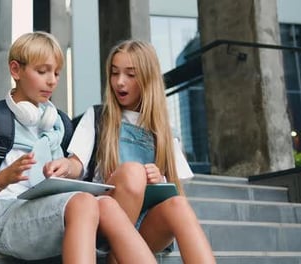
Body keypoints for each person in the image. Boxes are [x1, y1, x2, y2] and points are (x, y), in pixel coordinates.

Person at [0, 32, 157, 264]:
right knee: (83, 203)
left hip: (46, 209)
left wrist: (62, 171)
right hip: (2, 216)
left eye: (56, 73)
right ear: (15, 70)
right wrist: (4, 178)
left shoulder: (57, 122)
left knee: (108, 204)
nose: (52, 81)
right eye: (42, 71)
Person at [45, 39, 216, 263]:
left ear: (147, 79)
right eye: (115, 73)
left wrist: (160, 178)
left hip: (146, 229)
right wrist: (66, 166)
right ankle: (116, 254)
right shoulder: (97, 117)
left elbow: (175, 189)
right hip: (105, 221)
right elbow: (77, 163)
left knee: (179, 205)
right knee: (134, 173)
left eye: (130, 74)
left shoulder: (164, 132)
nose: (120, 82)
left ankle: (120, 257)